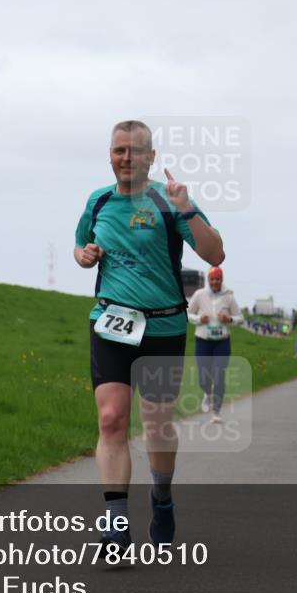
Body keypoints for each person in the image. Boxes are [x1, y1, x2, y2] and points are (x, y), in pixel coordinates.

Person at [74, 120, 224, 552]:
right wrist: (84, 255)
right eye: (119, 150)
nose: (126, 158)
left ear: (151, 157)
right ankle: (116, 525)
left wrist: (188, 210)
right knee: (111, 419)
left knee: (157, 425)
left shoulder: (169, 199)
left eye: (135, 151)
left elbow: (215, 253)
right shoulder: (98, 200)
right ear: (110, 155)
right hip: (111, 323)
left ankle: (161, 498)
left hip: (163, 325)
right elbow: (82, 246)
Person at [187, 266, 243, 424]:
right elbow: (188, 313)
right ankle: (207, 393)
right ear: (208, 280)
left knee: (219, 375)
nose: (215, 282)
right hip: (203, 340)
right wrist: (199, 319)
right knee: (203, 378)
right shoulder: (199, 294)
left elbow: (240, 318)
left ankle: (216, 411)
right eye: (212, 279)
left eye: (217, 279)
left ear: (221, 279)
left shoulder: (229, 297)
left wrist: (229, 319)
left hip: (222, 341)